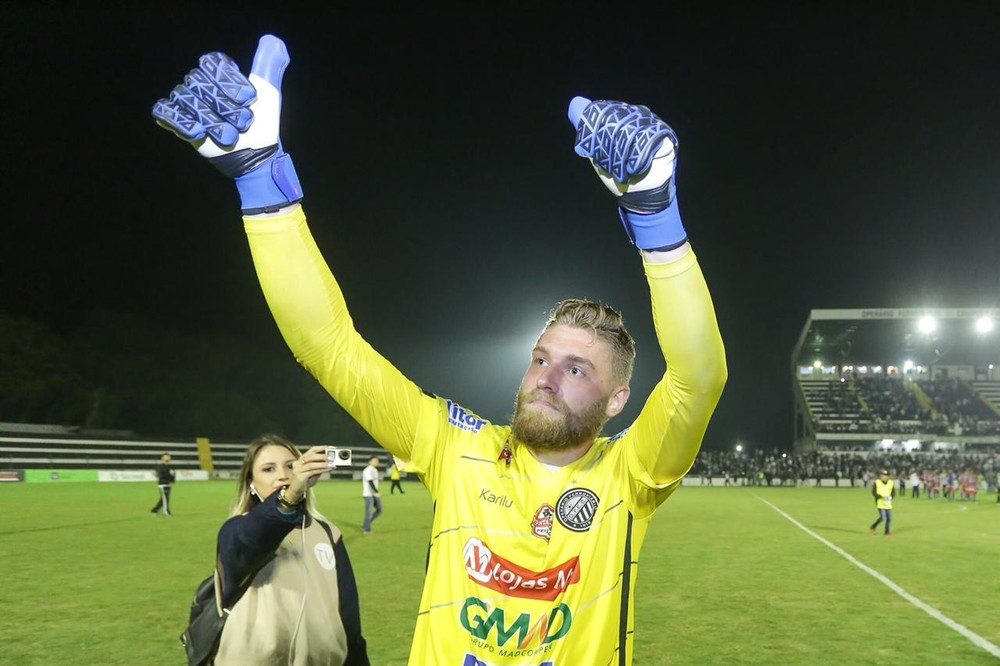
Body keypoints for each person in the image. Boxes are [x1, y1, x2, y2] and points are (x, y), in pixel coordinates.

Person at [152, 35, 727, 665]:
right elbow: (328, 346)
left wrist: (655, 219)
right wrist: (260, 183)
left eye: (576, 368)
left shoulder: (629, 474)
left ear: (619, 399)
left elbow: (698, 378)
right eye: (540, 358)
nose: (545, 376)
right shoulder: (456, 449)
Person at [214, 433, 369, 664]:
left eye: (291, 466)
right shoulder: (236, 529)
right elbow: (252, 539)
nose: (283, 475)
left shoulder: (329, 533)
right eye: (268, 469)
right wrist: (289, 496)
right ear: (250, 483)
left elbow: (348, 619)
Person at [869, 468, 894, 536]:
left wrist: (890, 498)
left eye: (886, 475)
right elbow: (874, 493)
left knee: (889, 518)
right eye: (883, 475)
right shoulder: (877, 482)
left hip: (888, 503)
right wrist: (881, 497)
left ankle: (887, 531)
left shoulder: (891, 483)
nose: (885, 477)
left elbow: (893, 493)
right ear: (881, 476)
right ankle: (873, 526)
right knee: (883, 517)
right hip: (880, 503)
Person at [361, 455, 382, 534]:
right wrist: (376, 491)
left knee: (379, 510)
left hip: (374, 494)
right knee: (368, 512)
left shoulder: (375, 470)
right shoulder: (367, 470)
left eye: (377, 461)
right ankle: (367, 530)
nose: (376, 462)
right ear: (369, 462)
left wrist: (376, 492)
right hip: (368, 494)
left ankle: (365, 523)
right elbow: (370, 482)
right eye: (374, 461)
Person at [150, 452, 175, 516]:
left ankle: (154, 510)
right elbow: (160, 475)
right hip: (162, 484)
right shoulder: (160, 467)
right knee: (165, 499)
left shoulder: (171, 467)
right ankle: (166, 512)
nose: (167, 458)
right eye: (166, 456)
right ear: (162, 458)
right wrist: (169, 474)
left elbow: (173, 475)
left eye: (168, 456)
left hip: (168, 484)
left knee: (164, 499)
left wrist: (172, 480)